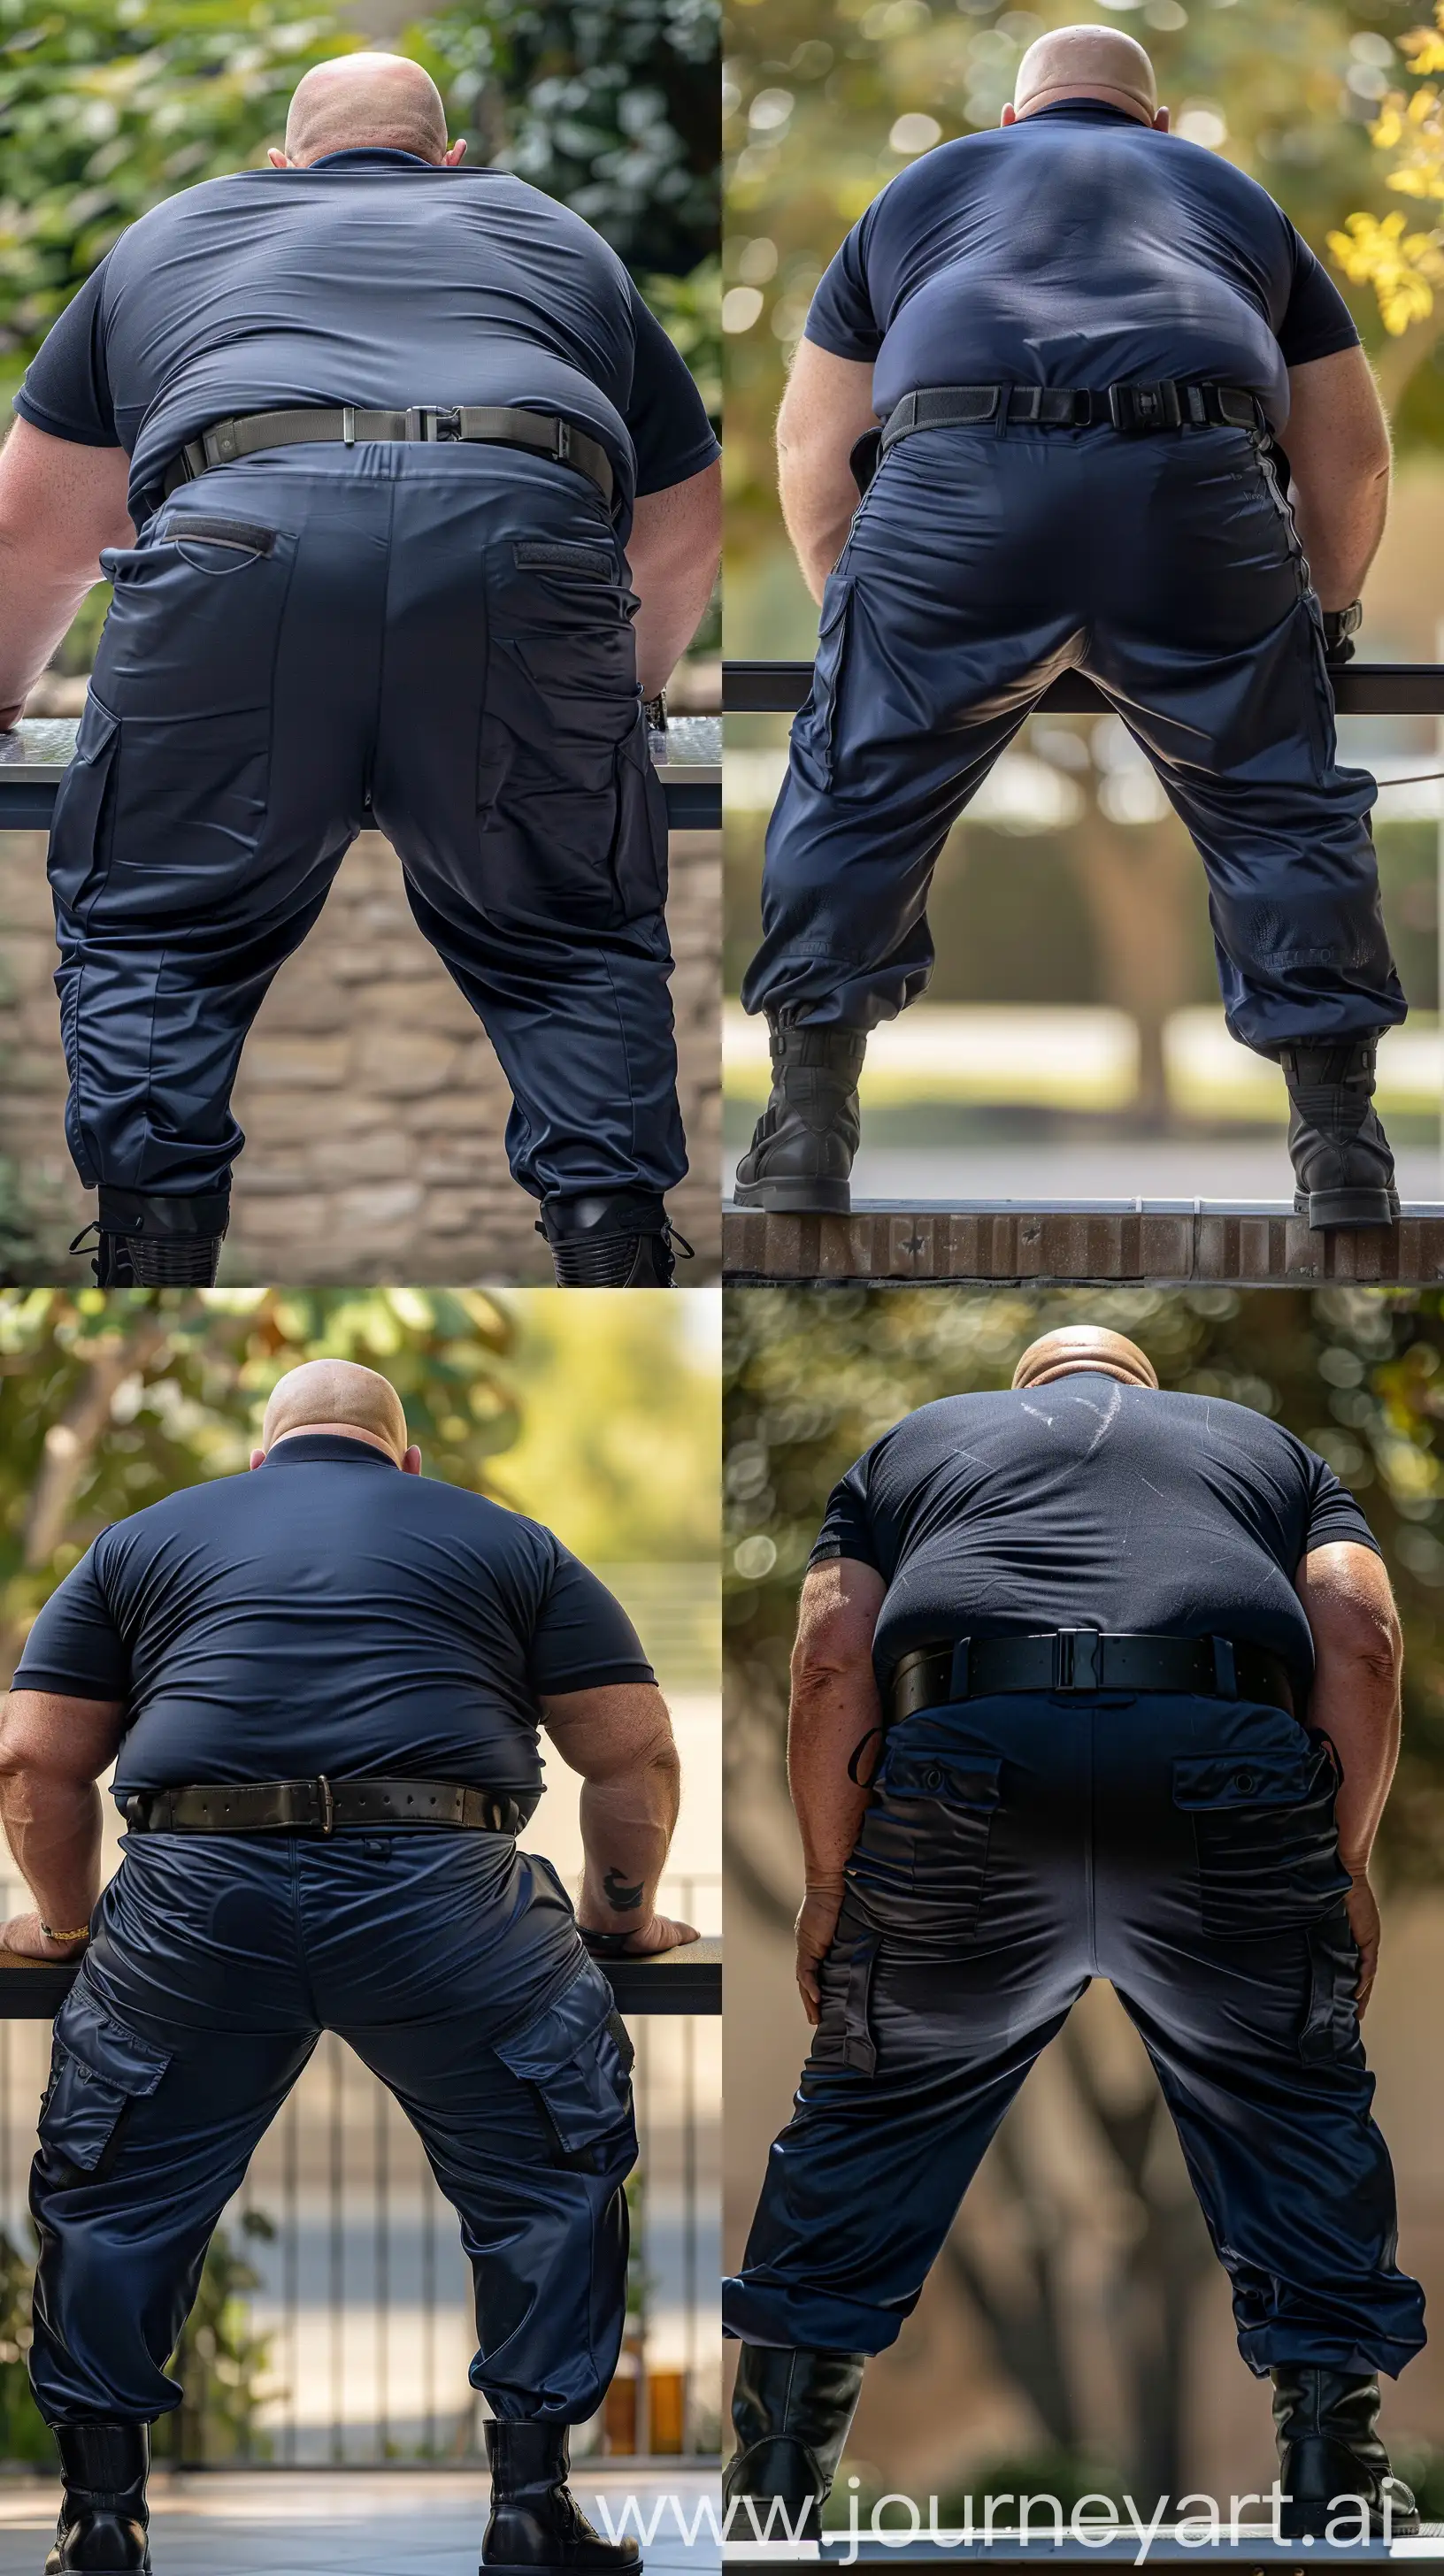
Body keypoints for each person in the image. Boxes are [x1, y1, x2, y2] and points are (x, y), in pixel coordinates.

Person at [0, 51, 721, 1292]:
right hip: (521, 541)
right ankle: (614, 1256)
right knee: (568, 937)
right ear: (449, 161)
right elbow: (683, 516)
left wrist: (5, 703)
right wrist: (619, 701)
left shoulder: (178, 229)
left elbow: (34, 534)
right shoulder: (548, 231)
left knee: (160, 935)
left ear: (281, 166)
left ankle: (152, 1265)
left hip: (240, 538)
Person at [722, 1326, 1424, 2540]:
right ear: (1146, 1387)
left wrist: (832, 1882)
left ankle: (774, 2488)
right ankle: (1334, 2478)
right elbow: (1360, 1635)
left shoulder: (913, 1446)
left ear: (1022, 1391)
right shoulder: (1271, 1452)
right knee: (1294, 2106)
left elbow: (832, 1659)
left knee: (873, 2111)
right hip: (1221, 1776)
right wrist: (1344, 1861)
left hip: (969, 1777)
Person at [0, 1359, 698, 2574]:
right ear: (406, 1457)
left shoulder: (140, 1544)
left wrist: (66, 1930)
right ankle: (529, 2512)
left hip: (195, 1896)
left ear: (263, 1456)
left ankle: (101, 2525)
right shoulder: (509, 1542)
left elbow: (32, 1765)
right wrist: (622, 1917)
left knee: (113, 2200)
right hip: (443, 1893)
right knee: (547, 2176)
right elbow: (633, 1753)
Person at [734, 24, 1402, 1233]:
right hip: (1193, 479)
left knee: (854, 787)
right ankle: (1344, 1151)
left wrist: (863, 629)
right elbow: (1348, 456)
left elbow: (812, 446)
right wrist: (1326, 618)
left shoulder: (921, 188)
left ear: (1011, 120)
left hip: (954, 478)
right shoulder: (1231, 195)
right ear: (1156, 128)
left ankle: (807, 1134)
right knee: (1276, 799)